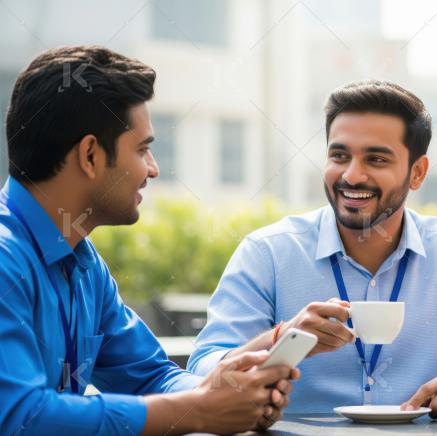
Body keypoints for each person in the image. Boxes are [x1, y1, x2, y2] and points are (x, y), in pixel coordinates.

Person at [0, 46, 297, 435]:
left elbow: (150, 375)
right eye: (143, 149)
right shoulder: (7, 262)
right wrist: (201, 409)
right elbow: (21, 416)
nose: (153, 169)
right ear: (90, 155)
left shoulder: (85, 264)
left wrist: (229, 396)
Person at [189, 80, 437, 419]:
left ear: (417, 173)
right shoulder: (268, 253)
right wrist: (281, 338)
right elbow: (203, 372)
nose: (351, 175)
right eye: (339, 155)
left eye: (376, 159)